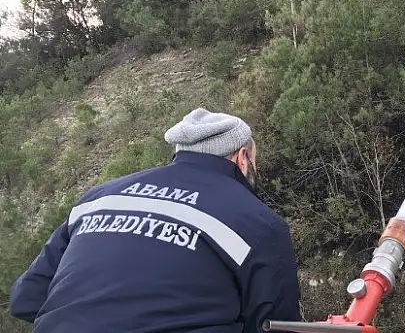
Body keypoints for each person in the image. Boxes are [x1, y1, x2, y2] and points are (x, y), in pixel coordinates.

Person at [9, 108, 302, 332]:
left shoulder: (98, 197)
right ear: (242, 158)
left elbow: (26, 297)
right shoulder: (259, 223)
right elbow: (275, 324)